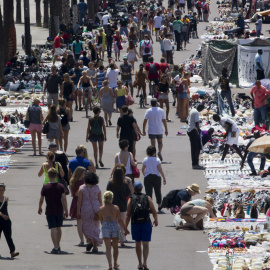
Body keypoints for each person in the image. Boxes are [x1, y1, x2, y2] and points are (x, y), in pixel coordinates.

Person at [125, 181, 158, 270]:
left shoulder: (131, 198)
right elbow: (153, 210)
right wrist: (156, 220)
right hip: (146, 223)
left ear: (134, 189)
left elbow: (128, 214)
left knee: (137, 243)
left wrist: (125, 227)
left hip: (135, 223)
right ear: (141, 188)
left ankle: (139, 263)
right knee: (146, 244)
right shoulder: (147, 198)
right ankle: (145, 263)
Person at [38, 168, 68, 254]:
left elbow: (41, 198)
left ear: (48, 175)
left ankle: (55, 246)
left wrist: (40, 207)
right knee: (59, 228)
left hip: (50, 210)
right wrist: (66, 210)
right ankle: (58, 245)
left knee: (53, 228)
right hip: (59, 209)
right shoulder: (61, 186)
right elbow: (64, 199)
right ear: (56, 176)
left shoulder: (45, 187)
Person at [99, 191, 129, 270]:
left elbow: (101, 221)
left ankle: (110, 265)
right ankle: (115, 263)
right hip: (115, 227)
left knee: (108, 248)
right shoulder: (116, 208)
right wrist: (125, 229)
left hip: (106, 227)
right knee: (115, 247)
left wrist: (105, 227)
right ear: (111, 198)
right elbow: (120, 220)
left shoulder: (101, 209)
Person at [77, 172, 102, 253]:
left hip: (85, 208)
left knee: (85, 226)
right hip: (96, 208)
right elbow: (100, 200)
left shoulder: (82, 188)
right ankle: (95, 245)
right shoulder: (97, 188)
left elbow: (79, 201)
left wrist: (78, 211)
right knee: (95, 225)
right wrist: (101, 210)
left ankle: (89, 240)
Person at [107, 166, 131, 246]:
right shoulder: (124, 183)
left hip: (113, 205)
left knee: (113, 223)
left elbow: (108, 192)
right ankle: (122, 240)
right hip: (122, 205)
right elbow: (128, 194)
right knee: (122, 222)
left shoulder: (110, 183)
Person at [142, 146, 166, 211]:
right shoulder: (157, 160)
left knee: (148, 192)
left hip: (148, 177)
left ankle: (149, 206)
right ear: (154, 152)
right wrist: (164, 178)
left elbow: (143, 169)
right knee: (158, 191)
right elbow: (160, 169)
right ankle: (159, 205)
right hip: (156, 177)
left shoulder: (145, 159)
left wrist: (145, 175)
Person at [0, 183, 19, 258]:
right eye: (0, 190)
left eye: (2, 190)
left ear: (4, 190)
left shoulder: (6, 198)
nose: (1, 191)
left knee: (8, 237)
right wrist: (2, 215)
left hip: (6, 221)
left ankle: (12, 252)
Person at [69, 167, 85, 245]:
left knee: (79, 222)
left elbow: (73, 194)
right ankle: (88, 239)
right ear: (81, 173)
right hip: (84, 202)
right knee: (85, 222)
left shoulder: (72, 181)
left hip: (75, 201)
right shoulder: (84, 182)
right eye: (84, 172)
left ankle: (81, 240)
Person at [187, 103, 205, 169]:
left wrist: (190, 125)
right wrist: (199, 129)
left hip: (189, 130)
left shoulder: (192, 110)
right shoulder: (196, 112)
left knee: (194, 148)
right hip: (193, 131)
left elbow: (187, 120)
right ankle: (195, 164)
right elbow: (196, 123)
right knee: (195, 148)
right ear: (200, 108)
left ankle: (195, 163)